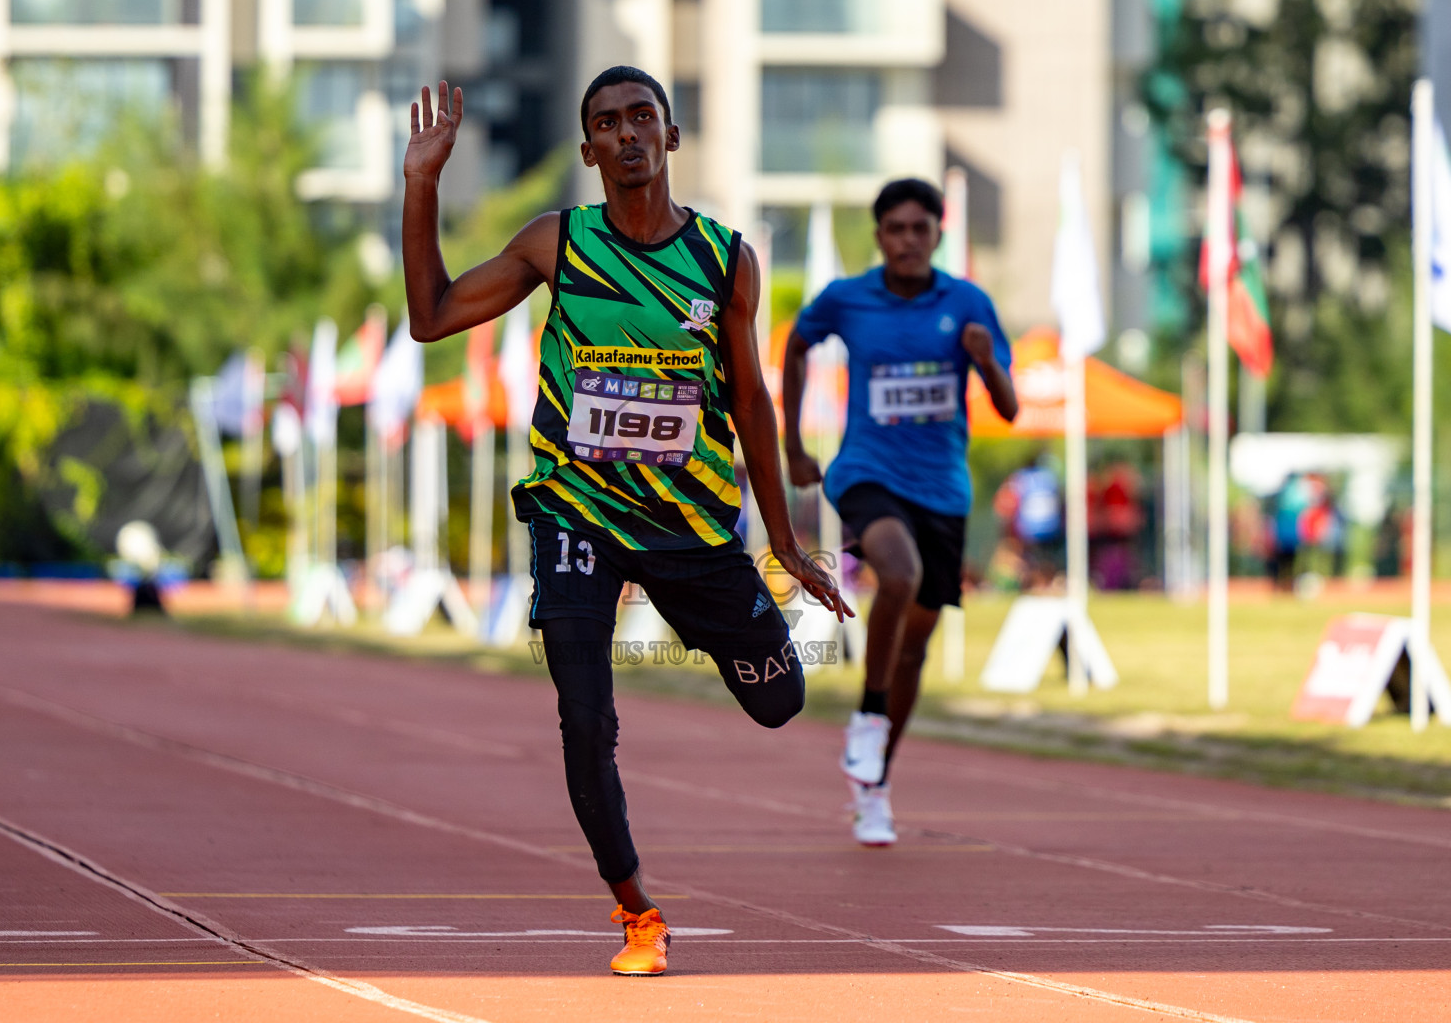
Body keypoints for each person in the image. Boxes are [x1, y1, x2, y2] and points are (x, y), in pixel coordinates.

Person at [401, 67, 851, 977]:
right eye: (606, 123)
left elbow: (753, 404)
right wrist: (422, 184)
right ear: (589, 151)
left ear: (672, 136)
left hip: (689, 524)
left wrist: (786, 543)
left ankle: (703, 613)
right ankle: (637, 911)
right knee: (582, 714)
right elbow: (430, 315)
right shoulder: (557, 246)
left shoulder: (725, 261)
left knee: (779, 700)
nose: (627, 133)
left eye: (643, 116)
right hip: (577, 512)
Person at [782, 178, 1016, 846]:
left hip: (942, 488)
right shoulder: (848, 299)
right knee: (899, 572)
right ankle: (867, 717)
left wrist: (983, 362)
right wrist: (794, 443)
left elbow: (1007, 406)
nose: (909, 240)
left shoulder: (968, 304)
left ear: (938, 234)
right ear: (879, 235)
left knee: (915, 650)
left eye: (921, 228)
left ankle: (875, 784)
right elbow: (796, 345)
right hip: (866, 473)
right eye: (896, 229)